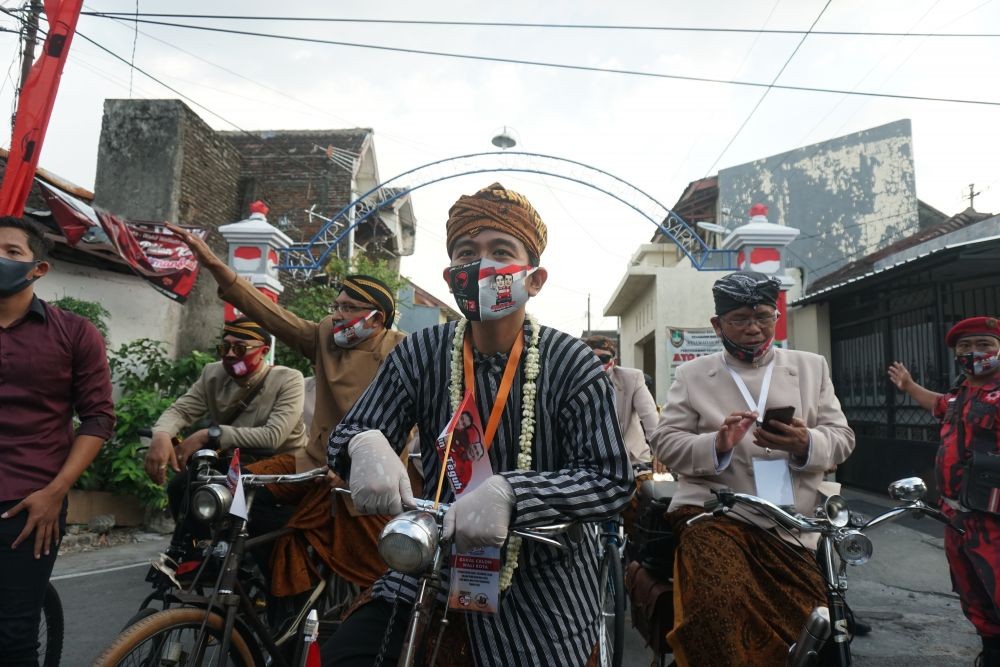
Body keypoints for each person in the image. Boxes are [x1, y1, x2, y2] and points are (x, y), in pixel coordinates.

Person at [323, 182, 633, 666]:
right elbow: (352, 431)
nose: (481, 265)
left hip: (542, 577)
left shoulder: (571, 361)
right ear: (450, 277)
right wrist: (363, 444)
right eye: (467, 253)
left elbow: (611, 479)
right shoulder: (420, 353)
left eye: (500, 251)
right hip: (434, 563)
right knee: (346, 655)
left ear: (535, 279)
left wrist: (514, 494)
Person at [166, 222, 408, 597]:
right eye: (337, 306)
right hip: (309, 463)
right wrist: (214, 263)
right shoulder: (323, 336)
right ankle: (226, 564)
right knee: (234, 489)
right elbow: (268, 314)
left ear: (377, 317)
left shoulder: (402, 351)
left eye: (349, 308)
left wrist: (359, 472)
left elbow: (407, 424)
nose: (339, 314)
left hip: (370, 482)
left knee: (377, 581)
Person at [650, 270, 855, 667]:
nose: (754, 329)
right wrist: (717, 444)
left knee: (819, 623)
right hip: (716, 514)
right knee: (717, 602)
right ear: (717, 325)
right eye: (740, 319)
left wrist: (806, 443)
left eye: (763, 316)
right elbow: (664, 442)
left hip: (793, 522)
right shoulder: (694, 374)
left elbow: (842, 438)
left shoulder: (811, 367)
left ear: (777, 317)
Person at [0, 216, 115, 666]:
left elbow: (98, 419)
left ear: (38, 268)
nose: (0, 259)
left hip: (29, 505)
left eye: (11, 252)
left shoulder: (75, 333)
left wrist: (54, 493)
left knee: (12, 638)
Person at [143, 317, 307, 561]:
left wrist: (210, 434)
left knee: (249, 512)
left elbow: (273, 436)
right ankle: (198, 552)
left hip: (281, 467)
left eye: (240, 348)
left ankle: (267, 581)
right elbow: (181, 410)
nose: (230, 355)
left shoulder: (288, 379)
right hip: (235, 466)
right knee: (182, 486)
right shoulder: (213, 374)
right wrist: (162, 434)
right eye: (225, 347)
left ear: (263, 351)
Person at [888, 317, 1000, 667]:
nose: (973, 353)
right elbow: (937, 403)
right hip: (957, 519)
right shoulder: (959, 395)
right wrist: (908, 385)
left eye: (983, 344)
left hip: (993, 522)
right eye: (964, 347)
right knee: (974, 598)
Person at [583, 334, 662, 471]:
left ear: (614, 361)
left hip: (633, 461)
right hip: (591, 462)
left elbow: (650, 418)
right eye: (592, 358)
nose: (598, 363)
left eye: (603, 359)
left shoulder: (632, 378)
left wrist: (661, 452)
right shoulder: (576, 382)